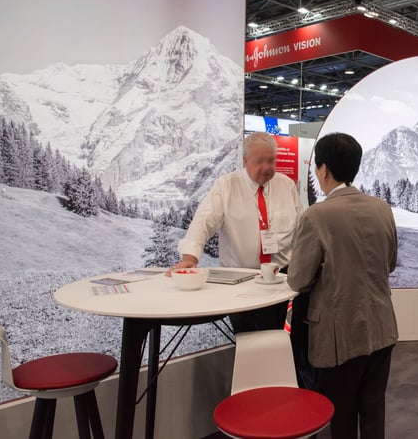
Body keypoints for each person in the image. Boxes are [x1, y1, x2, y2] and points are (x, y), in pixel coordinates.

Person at [287, 133, 398, 439]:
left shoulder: (317, 216)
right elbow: (390, 263)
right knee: (374, 412)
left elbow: (298, 279)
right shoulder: (382, 209)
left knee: (342, 416)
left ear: (323, 170)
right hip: (381, 327)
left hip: (339, 337)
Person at [171, 131, 302, 330]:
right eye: (260, 161)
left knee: (277, 336)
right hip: (241, 280)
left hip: (280, 279)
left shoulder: (286, 185)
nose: (267, 167)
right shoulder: (226, 186)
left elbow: (301, 227)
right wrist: (190, 257)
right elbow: (203, 222)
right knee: (247, 338)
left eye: (271, 161)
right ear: (245, 161)